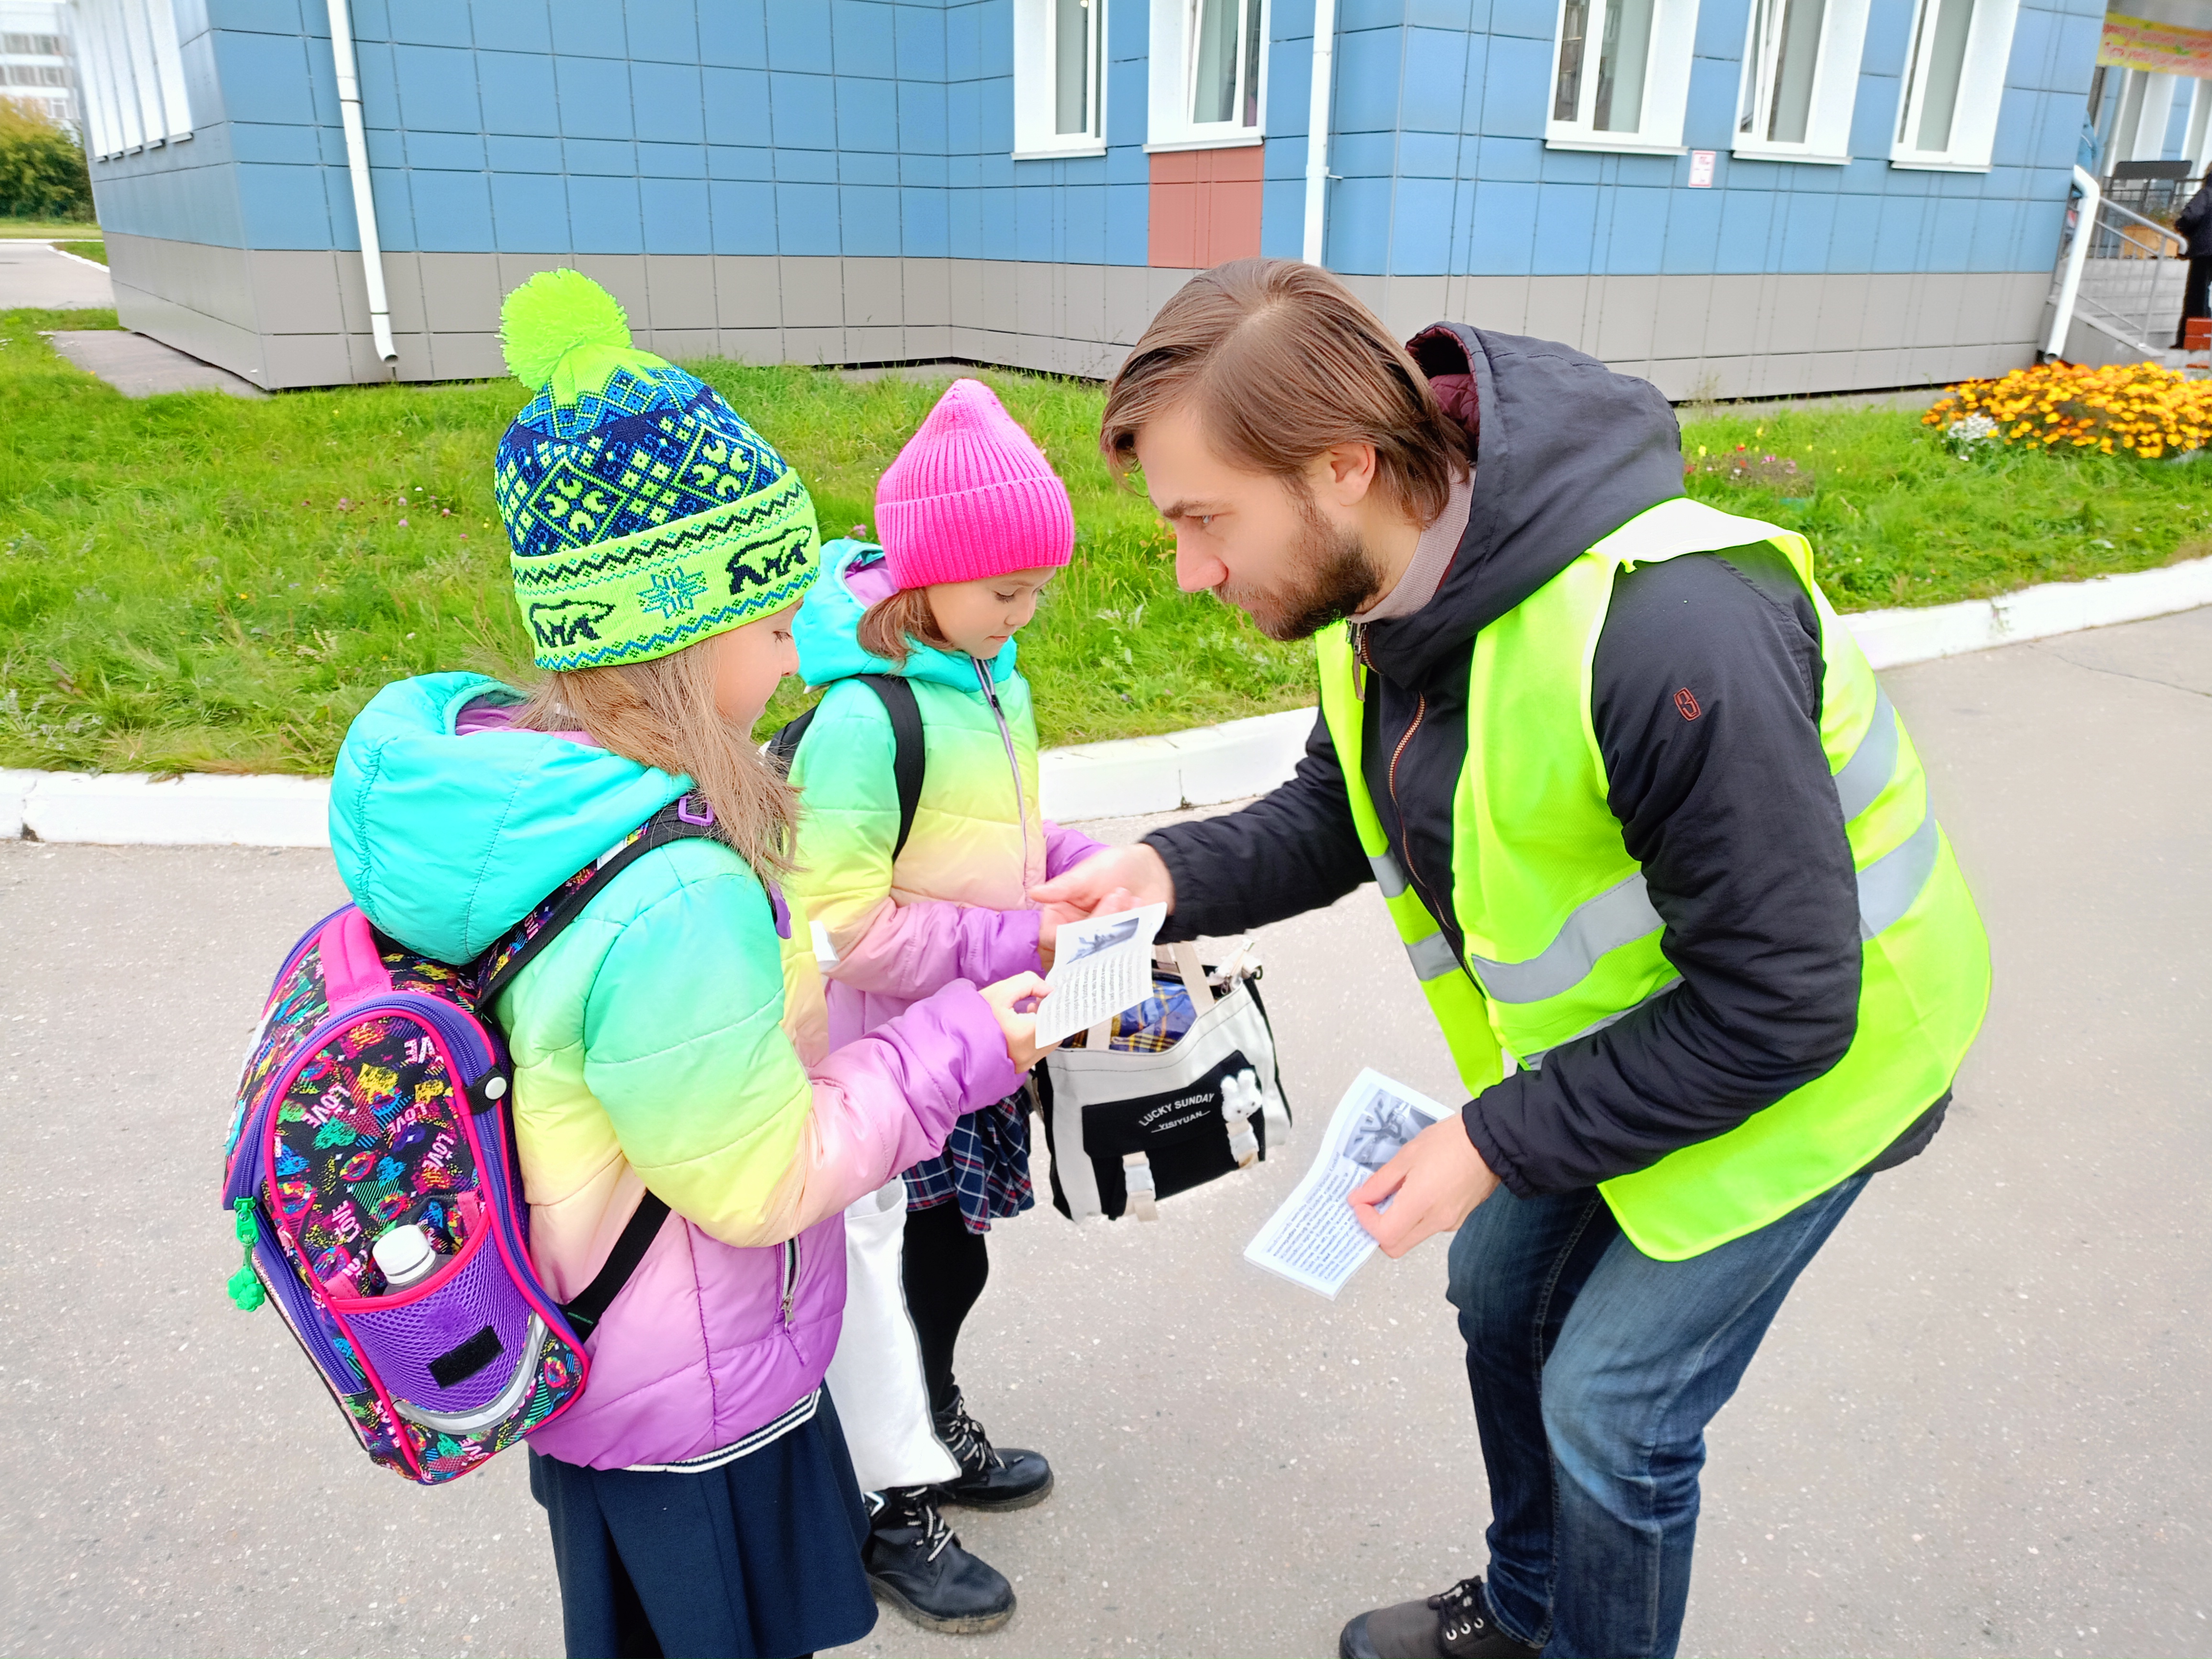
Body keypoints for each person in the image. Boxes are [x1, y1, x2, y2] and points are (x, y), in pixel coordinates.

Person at [1033, 259, 1992, 1659]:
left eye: (1202, 520)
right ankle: (1532, 1608)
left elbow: (1783, 1001)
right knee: (1496, 1292)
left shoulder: (1671, 628)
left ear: (1343, 465)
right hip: (1636, 1048)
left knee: (1612, 1408)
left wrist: (1490, 1137)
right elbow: (1340, 806)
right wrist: (1167, 874)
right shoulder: (1380, 591)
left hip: (1819, 1062)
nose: (1190, 571)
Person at [328, 271, 1049, 1659]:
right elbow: (761, 1176)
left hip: (618, 1360)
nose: (795, 657)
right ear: (674, 631)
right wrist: (967, 1041)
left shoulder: (545, 807)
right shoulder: (675, 894)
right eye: (774, 625)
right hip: (696, 1388)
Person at [785, 378, 1102, 1632]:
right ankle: (888, 1499)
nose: (1026, 613)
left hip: (974, 1038)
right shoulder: (866, 719)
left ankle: (935, 1421)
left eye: (1037, 588)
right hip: (890, 1056)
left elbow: (993, 839)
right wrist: (1017, 929)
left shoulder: (988, 676)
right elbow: (847, 924)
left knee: (951, 1255)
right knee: (880, 1278)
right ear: (923, 580)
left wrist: (1076, 865)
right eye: (1003, 591)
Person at [2173, 168, 2212, 349]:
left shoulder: (2207, 193)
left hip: (2205, 252)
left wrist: (2182, 228)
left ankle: (2192, 341)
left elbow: (2191, 216)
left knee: (2197, 296)